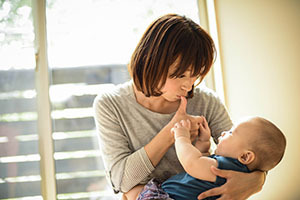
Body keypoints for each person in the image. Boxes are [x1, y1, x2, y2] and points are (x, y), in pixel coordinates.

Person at [93, 14, 265, 200]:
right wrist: (172, 132)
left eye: (195, 75)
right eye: (180, 75)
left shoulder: (207, 102)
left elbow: (250, 151)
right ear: (150, 61)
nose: (189, 86)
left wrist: (258, 180)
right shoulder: (111, 105)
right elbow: (122, 182)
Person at [134, 116, 286, 200]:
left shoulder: (226, 169)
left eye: (231, 133)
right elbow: (202, 163)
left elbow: (193, 164)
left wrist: (182, 138)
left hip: (168, 197)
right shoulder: (232, 168)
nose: (224, 133)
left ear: (245, 156)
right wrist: (204, 142)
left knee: (131, 192)